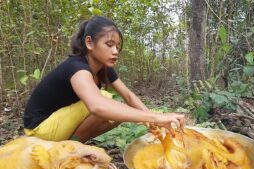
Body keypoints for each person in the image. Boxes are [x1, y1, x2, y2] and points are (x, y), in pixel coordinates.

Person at [23, 16, 185, 143]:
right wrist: (157, 117)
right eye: (109, 44)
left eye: (117, 46)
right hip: (39, 130)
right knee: (105, 99)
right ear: (89, 43)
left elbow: (128, 96)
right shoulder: (77, 68)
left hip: (57, 124)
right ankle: (70, 149)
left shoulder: (103, 68)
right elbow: (97, 107)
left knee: (116, 111)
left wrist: (153, 123)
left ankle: (74, 144)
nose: (115, 51)